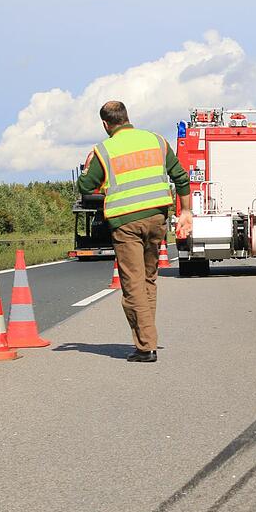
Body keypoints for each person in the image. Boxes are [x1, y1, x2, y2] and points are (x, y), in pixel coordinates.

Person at [78, 101, 192, 362]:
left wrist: (87, 166)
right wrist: (186, 212)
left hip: (126, 224)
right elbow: (181, 178)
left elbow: (86, 185)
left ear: (106, 124)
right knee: (149, 279)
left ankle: (146, 346)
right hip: (156, 220)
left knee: (132, 285)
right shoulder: (156, 141)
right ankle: (148, 337)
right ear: (127, 117)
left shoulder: (104, 151)